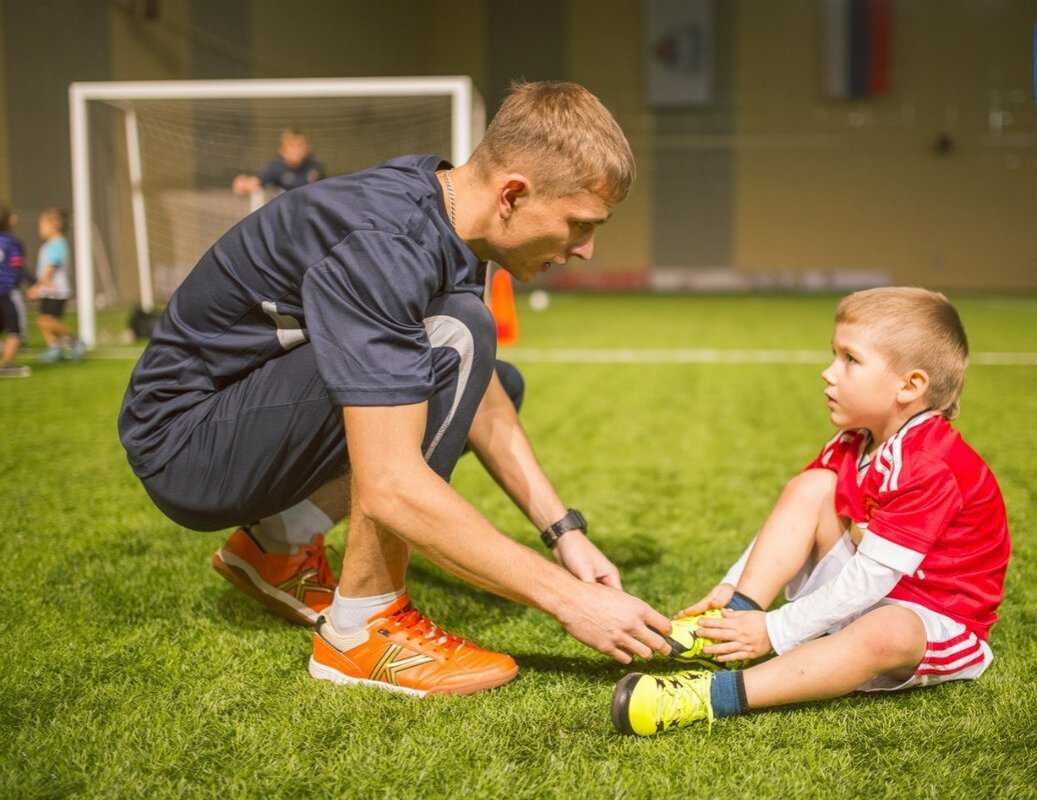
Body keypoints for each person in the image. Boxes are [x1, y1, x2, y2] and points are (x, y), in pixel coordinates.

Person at [119, 81, 673, 698]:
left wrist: (565, 534)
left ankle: (275, 549)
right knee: (456, 338)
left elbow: (484, 405)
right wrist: (568, 600)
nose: (586, 249)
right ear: (513, 194)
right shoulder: (389, 242)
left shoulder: (450, 208)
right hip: (188, 446)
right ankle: (362, 629)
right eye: (579, 224)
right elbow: (390, 487)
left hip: (230, 415)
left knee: (491, 376)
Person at [612, 287, 1011, 735]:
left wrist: (778, 630)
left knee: (887, 631)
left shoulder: (929, 464)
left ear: (910, 385)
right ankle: (730, 626)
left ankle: (708, 695)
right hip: (869, 594)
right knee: (813, 487)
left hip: (933, 618)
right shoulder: (855, 440)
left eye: (850, 360)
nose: (828, 373)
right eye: (833, 355)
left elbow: (871, 579)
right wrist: (733, 591)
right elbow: (789, 523)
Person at [27, 208, 85, 362]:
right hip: (49, 291)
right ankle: (54, 348)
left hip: (56, 291)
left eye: (42, 224)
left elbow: (50, 269)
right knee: (45, 320)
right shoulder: (50, 244)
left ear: (55, 224)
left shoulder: (57, 244)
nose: (40, 228)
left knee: (45, 321)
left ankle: (75, 340)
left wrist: (37, 287)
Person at [231, 128, 325, 196]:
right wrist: (243, 185)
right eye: (291, 146)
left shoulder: (315, 166)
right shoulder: (276, 168)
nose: (296, 150)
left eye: (300, 145)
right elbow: (255, 183)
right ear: (282, 150)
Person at [0, 203, 30, 377]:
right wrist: (32, 283)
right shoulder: (12, 242)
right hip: (5, 292)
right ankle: (4, 364)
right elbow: (18, 266)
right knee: (15, 330)